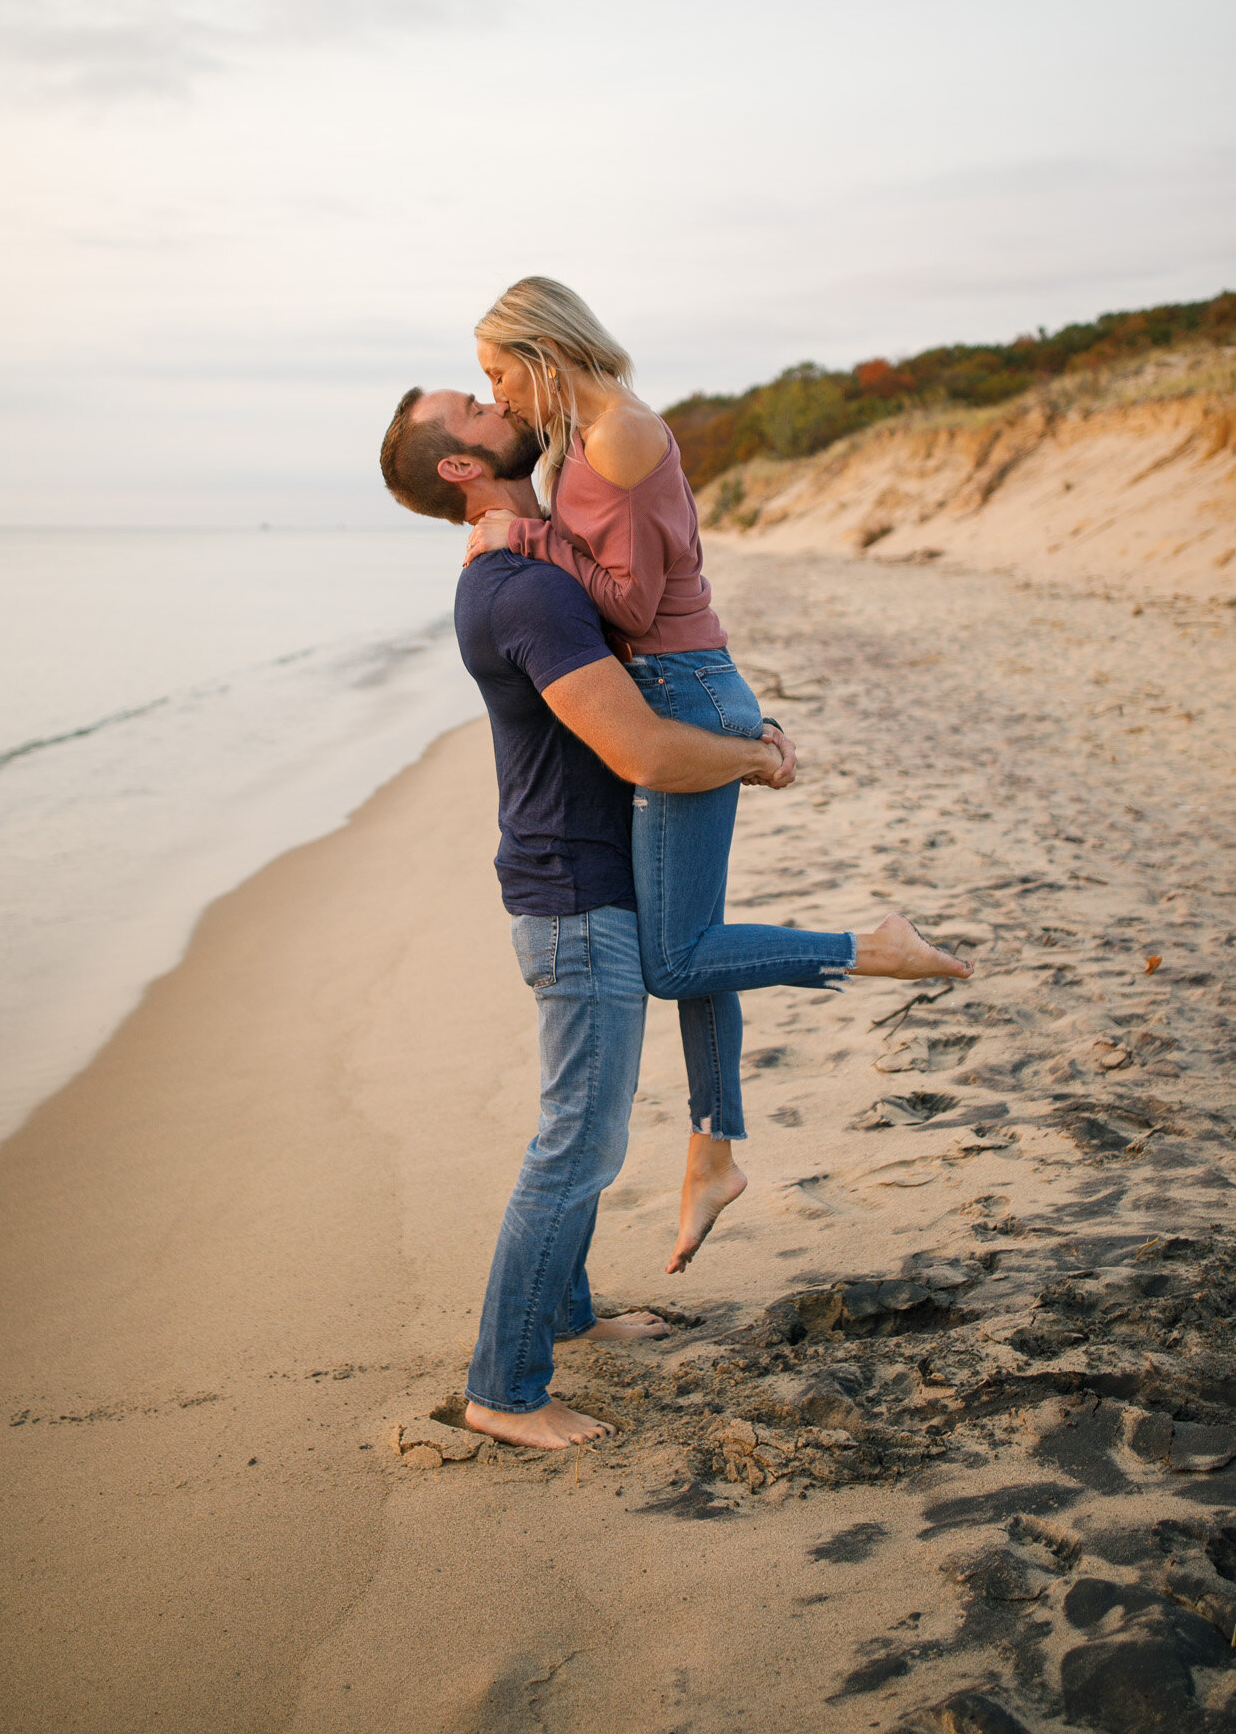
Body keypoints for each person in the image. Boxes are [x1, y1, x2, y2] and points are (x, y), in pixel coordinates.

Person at [378, 387, 968, 1448]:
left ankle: (571, 1315)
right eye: (472, 405)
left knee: (582, 1128)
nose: (498, 400)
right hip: (575, 898)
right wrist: (757, 756)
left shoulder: (530, 558)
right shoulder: (520, 593)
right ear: (461, 466)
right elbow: (645, 749)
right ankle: (505, 1390)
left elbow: (652, 637)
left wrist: (749, 727)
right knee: (577, 1146)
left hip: (588, 883)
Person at [461, 277, 971, 1270]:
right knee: (698, 944)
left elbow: (637, 600)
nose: (500, 397)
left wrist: (519, 537)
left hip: (682, 691)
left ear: (541, 352)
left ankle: (875, 946)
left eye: (496, 375)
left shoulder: (616, 435)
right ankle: (714, 1150)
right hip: (690, 682)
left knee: (676, 955)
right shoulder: (593, 428)